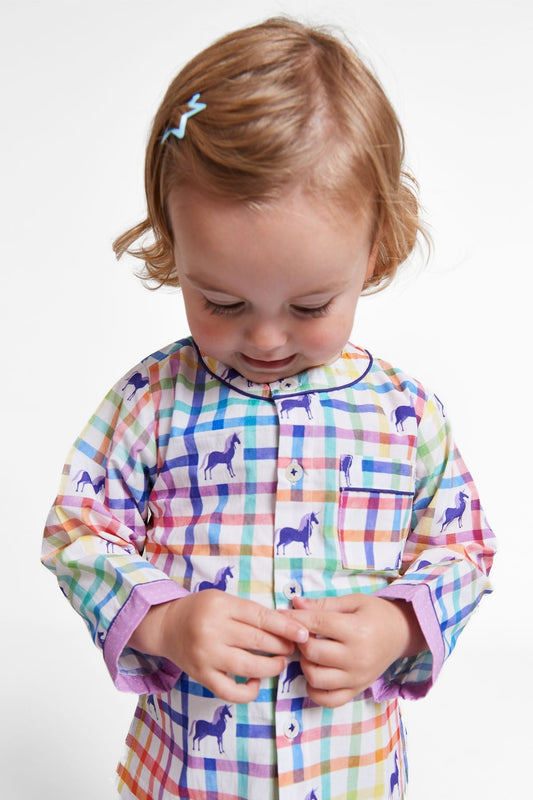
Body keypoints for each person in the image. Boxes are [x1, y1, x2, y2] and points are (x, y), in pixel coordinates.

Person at [42, 17, 496, 800]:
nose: (265, 337)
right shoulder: (153, 401)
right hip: (186, 778)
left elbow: (464, 549)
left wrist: (397, 624)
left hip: (349, 773)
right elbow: (76, 531)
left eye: (310, 305)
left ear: (372, 251)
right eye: (221, 301)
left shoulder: (407, 415)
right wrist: (162, 620)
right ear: (175, 244)